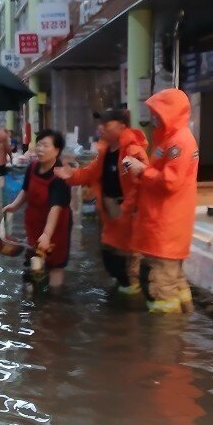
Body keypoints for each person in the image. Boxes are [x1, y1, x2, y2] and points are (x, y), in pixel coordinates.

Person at [123, 89, 199, 314]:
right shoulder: (169, 140)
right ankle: (181, 334)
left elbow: (170, 182)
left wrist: (141, 170)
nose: (154, 116)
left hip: (166, 225)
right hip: (163, 224)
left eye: (157, 111)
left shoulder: (179, 142)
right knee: (174, 282)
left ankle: (165, 341)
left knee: (160, 286)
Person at [56, 108, 148, 294]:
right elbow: (90, 173)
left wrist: (127, 209)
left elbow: (143, 183)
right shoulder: (105, 152)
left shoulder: (133, 151)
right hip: (109, 212)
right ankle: (125, 293)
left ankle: (130, 303)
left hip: (128, 215)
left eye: (106, 124)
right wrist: (71, 176)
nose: (101, 128)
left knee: (127, 263)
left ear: (122, 126)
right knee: (109, 257)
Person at [4, 130, 73, 288]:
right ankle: (36, 299)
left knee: (55, 264)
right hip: (35, 223)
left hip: (56, 227)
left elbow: (56, 207)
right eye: (39, 144)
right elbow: (26, 190)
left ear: (56, 150)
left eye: (45, 145)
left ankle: (55, 300)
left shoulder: (60, 175)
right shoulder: (33, 166)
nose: (40, 149)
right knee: (34, 258)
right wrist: (14, 205)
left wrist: (47, 234)